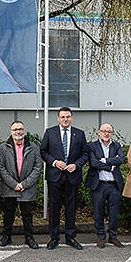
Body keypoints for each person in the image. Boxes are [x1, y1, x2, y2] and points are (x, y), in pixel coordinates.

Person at [40, 107, 89, 250]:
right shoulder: (50, 132)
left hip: (72, 176)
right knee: (54, 208)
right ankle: (54, 238)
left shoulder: (79, 134)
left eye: (67, 117)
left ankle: (70, 237)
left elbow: (85, 154)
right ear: (58, 118)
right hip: (55, 177)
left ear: (72, 118)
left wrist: (76, 165)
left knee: (71, 208)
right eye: (62, 117)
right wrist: (55, 162)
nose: (65, 119)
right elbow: (43, 151)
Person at [0, 120, 43, 249]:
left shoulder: (33, 147)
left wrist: (24, 184)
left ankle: (29, 238)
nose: (18, 131)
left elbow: (37, 167)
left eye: (20, 129)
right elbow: (0, 167)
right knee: (8, 214)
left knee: (27, 215)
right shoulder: (3, 148)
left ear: (24, 130)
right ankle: (7, 237)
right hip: (9, 188)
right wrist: (13, 184)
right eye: (15, 129)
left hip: (26, 188)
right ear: (11, 132)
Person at [85, 123, 125, 248]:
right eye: (104, 131)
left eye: (109, 131)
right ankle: (101, 236)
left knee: (114, 212)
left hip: (114, 185)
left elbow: (121, 160)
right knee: (98, 211)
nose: (106, 133)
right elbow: (93, 163)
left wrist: (104, 160)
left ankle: (113, 236)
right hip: (99, 184)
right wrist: (111, 165)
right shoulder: (92, 146)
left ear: (112, 133)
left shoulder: (116, 145)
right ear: (99, 132)